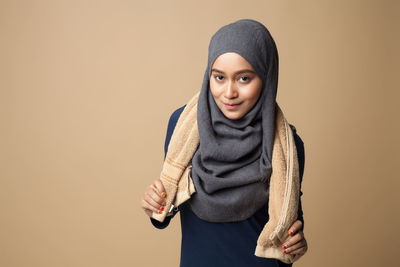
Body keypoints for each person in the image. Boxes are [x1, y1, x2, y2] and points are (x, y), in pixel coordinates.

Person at [141, 19, 308, 266]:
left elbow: (289, 229)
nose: (229, 92)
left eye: (243, 79)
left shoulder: (288, 146)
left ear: (266, 77)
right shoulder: (182, 126)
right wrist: (155, 202)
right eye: (219, 77)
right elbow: (169, 203)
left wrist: (296, 243)